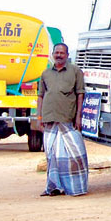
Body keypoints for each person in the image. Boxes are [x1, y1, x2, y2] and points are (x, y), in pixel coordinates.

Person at [38, 43, 89, 196]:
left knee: (74, 154)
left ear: (67, 55)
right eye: (56, 52)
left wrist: (78, 117)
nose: (59, 55)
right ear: (53, 54)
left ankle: (75, 188)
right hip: (49, 119)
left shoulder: (75, 72)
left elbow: (80, 94)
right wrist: (39, 116)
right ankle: (53, 187)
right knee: (52, 155)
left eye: (62, 53)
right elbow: (40, 96)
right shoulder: (45, 73)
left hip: (68, 120)